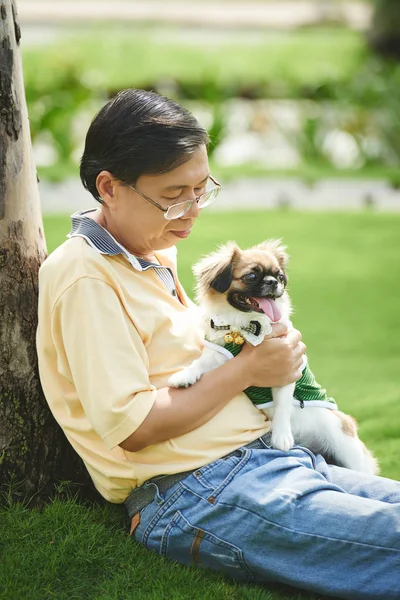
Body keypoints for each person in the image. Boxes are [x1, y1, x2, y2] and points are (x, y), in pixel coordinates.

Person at [36, 89, 400, 600]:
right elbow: (134, 427)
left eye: (201, 190)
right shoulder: (85, 277)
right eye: (173, 194)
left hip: (266, 460)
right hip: (196, 492)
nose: (191, 210)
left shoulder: (152, 252)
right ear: (109, 187)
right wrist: (251, 369)